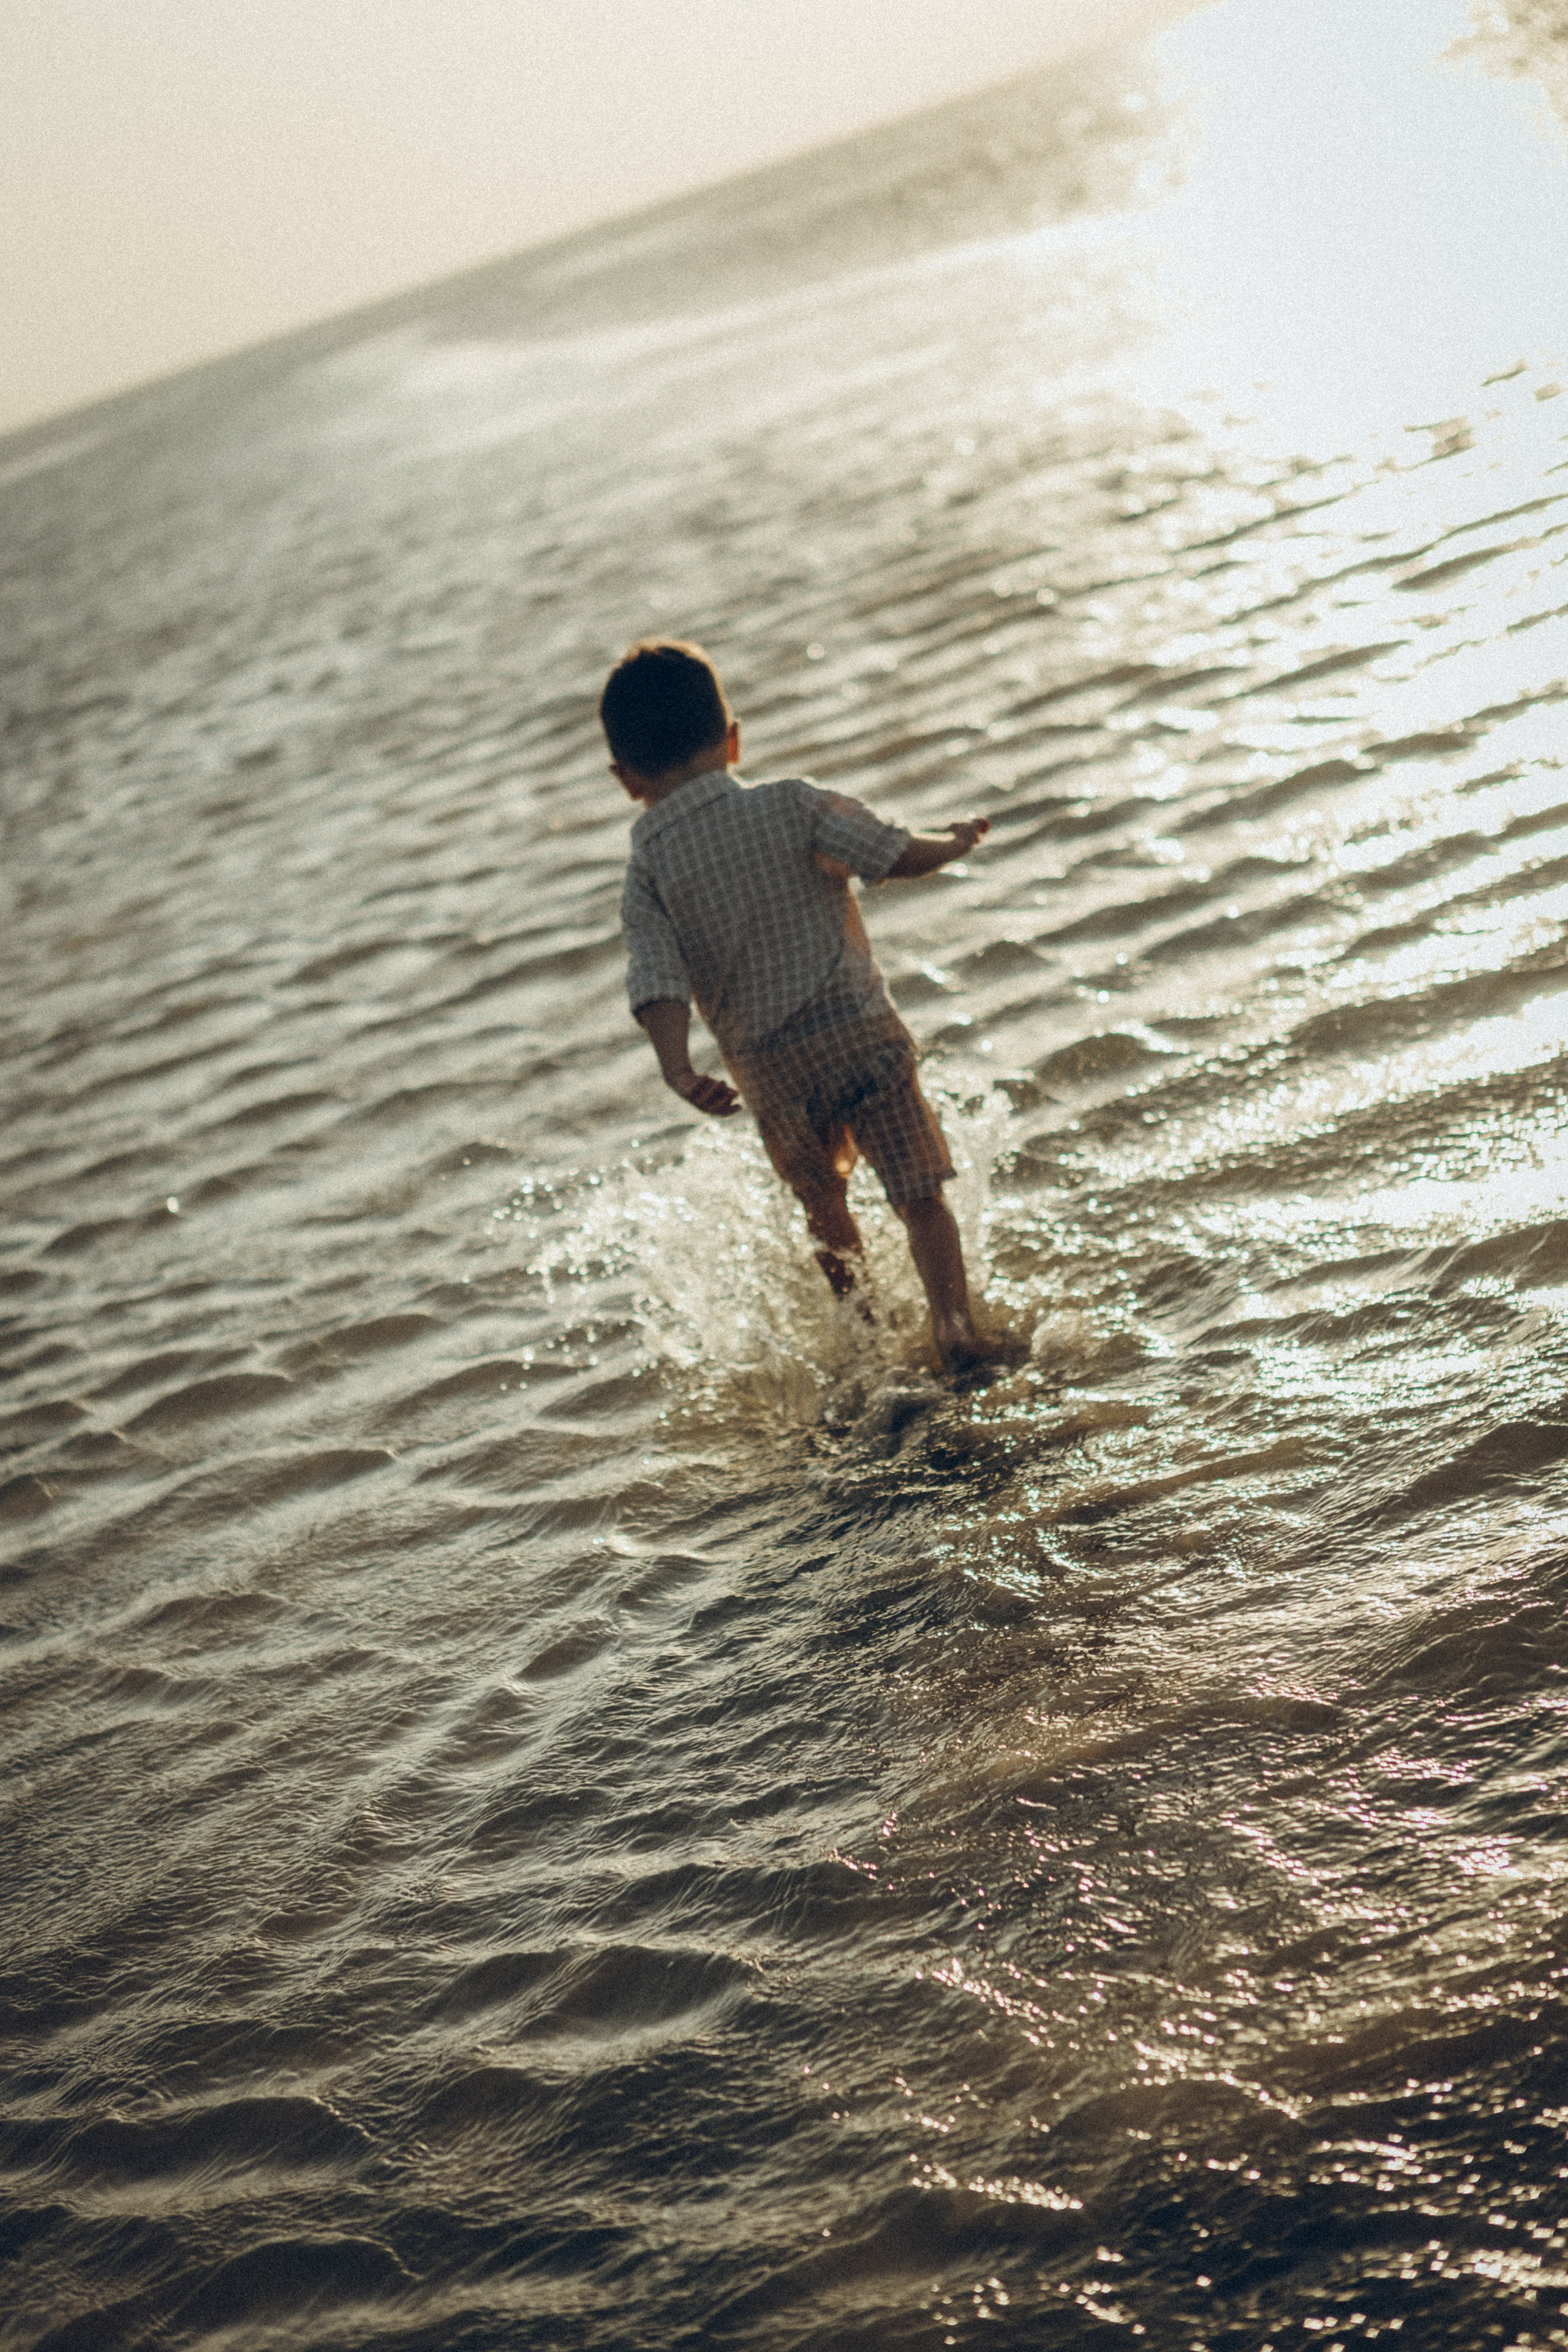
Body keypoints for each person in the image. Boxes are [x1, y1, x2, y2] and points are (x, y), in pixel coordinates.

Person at [605, 637, 1001, 1373]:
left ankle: (867, 1340)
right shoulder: (790, 804)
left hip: (773, 1073)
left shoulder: (648, 870)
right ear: (731, 740)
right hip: (859, 1034)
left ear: (626, 779)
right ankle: (953, 1324)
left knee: (826, 1210)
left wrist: (677, 1068)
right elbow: (888, 852)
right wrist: (950, 844)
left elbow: (655, 975)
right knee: (920, 1194)